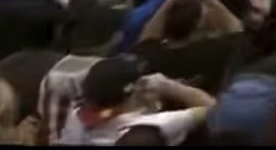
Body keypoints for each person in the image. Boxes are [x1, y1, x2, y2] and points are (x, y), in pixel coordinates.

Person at [57, 56, 214, 145]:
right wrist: (171, 87)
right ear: (135, 89)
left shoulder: (76, 116)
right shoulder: (154, 125)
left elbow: (107, 114)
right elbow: (215, 108)